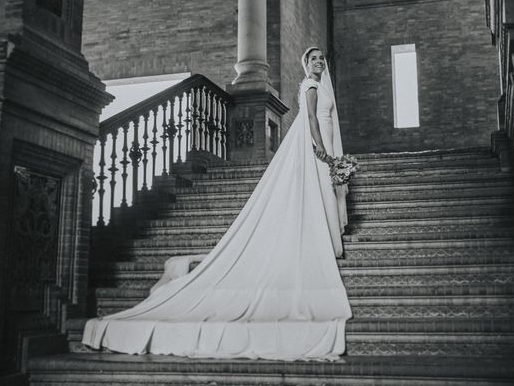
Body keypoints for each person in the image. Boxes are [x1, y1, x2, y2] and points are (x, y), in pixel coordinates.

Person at [82, 47, 352, 360]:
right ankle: (319, 238)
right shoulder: (312, 87)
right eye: (313, 59)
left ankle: (325, 235)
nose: (318, 62)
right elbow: (311, 122)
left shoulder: (324, 85)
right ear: (306, 65)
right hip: (320, 145)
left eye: (321, 59)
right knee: (317, 186)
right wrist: (322, 152)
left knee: (323, 189)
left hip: (328, 143)